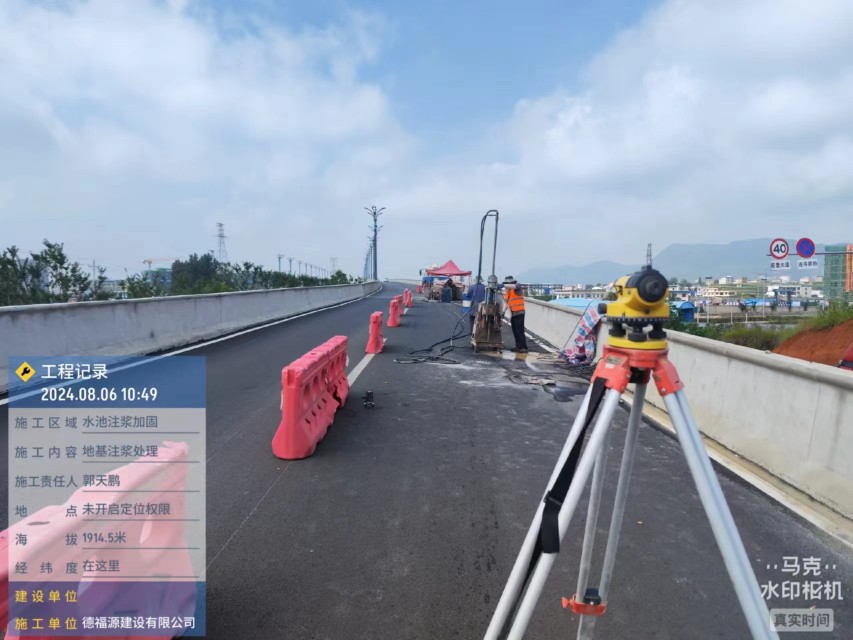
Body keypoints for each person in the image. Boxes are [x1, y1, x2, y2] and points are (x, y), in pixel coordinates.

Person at [502, 276, 528, 353]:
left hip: (519, 312)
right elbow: (507, 303)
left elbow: (514, 286)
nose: (506, 285)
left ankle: (523, 347)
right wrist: (503, 312)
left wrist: (502, 285)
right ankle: (518, 346)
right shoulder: (508, 291)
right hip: (513, 313)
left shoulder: (518, 287)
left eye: (507, 283)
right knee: (515, 330)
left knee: (520, 330)